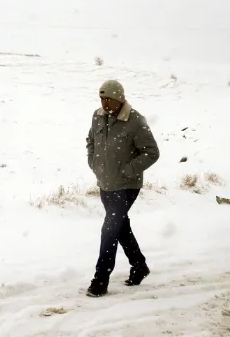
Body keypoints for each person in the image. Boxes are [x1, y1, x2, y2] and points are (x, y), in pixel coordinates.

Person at [85, 79, 160, 297]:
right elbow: (90, 140)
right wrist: (94, 162)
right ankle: (139, 265)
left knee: (109, 229)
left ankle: (101, 279)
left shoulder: (135, 121)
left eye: (108, 98)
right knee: (120, 226)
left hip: (127, 186)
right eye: (101, 98)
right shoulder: (97, 115)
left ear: (119, 99)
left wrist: (129, 170)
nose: (104, 103)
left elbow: (151, 152)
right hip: (105, 183)